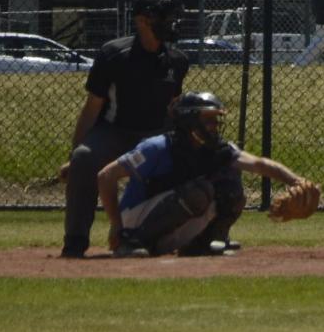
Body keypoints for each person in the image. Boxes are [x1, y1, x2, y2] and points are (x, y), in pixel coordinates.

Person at [56, 0, 190, 259]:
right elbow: (92, 108)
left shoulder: (177, 60)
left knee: (194, 161)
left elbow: (173, 109)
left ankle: (199, 235)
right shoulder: (114, 54)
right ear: (142, 21)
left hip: (155, 134)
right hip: (115, 131)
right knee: (83, 159)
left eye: (173, 18)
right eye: (163, 18)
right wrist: (73, 155)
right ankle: (75, 240)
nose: (171, 24)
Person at [98, 91, 309, 256]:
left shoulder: (216, 148)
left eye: (216, 120)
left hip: (171, 220)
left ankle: (201, 243)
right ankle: (132, 243)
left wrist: (296, 181)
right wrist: (117, 227)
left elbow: (259, 164)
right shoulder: (157, 147)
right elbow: (106, 176)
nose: (215, 126)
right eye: (208, 119)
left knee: (231, 188)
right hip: (135, 220)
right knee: (199, 191)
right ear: (189, 121)